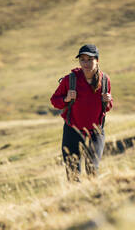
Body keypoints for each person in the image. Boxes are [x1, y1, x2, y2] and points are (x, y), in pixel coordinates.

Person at [50, 44, 113, 181]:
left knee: (92, 168)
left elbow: (105, 107)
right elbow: (54, 101)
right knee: (73, 172)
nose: (86, 63)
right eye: (83, 59)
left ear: (97, 60)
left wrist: (108, 100)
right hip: (72, 129)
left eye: (90, 59)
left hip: (96, 131)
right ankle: (75, 199)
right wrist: (66, 98)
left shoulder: (104, 80)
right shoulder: (70, 80)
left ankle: (94, 197)